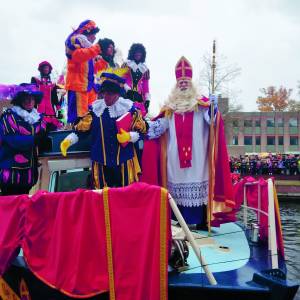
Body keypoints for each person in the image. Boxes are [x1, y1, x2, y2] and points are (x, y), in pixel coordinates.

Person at [141, 57, 235, 228]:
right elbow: (158, 127)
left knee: (199, 187)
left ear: (191, 83)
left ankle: (201, 221)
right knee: (176, 189)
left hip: (198, 161)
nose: (183, 85)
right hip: (174, 161)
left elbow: (212, 122)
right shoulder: (170, 109)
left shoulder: (201, 106)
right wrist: (143, 126)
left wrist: (214, 109)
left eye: (186, 82)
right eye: (180, 82)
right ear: (176, 85)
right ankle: (178, 221)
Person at [60, 72, 147, 189]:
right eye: (104, 93)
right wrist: (68, 141)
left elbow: (142, 132)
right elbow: (81, 132)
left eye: (110, 93)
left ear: (117, 94)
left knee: (125, 196)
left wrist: (129, 136)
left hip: (124, 163)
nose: (106, 96)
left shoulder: (129, 110)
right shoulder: (95, 110)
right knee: (101, 198)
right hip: (100, 164)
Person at [0, 84, 47, 195]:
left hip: (29, 175)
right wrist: (34, 140)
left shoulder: (38, 118)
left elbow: (42, 136)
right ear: (19, 100)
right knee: (10, 206)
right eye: (26, 98)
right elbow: (13, 140)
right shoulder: (9, 117)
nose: (29, 101)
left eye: (32, 98)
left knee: (24, 205)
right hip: (11, 174)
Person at [65, 19, 101, 123]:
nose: (95, 37)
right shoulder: (75, 41)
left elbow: (95, 68)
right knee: (78, 119)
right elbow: (77, 56)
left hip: (90, 88)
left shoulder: (91, 50)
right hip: (78, 87)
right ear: (86, 33)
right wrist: (97, 49)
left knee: (92, 118)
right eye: (93, 34)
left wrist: (106, 60)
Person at [31, 61, 63, 130]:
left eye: (47, 68)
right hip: (38, 110)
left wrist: (59, 110)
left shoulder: (53, 82)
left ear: (49, 69)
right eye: (44, 68)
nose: (46, 69)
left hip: (51, 111)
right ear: (41, 69)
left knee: (52, 131)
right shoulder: (35, 79)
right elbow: (33, 95)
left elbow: (54, 96)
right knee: (39, 131)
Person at [123, 43, 150, 113]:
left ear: (142, 54)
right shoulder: (126, 64)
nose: (138, 54)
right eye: (136, 52)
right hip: (126, 94)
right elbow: (122, 79)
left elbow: (145, 86)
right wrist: (128, 90)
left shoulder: (145, 69)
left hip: (138, 97)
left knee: (138, 118)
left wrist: (147, 99)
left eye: (140, 52)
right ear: (132, 53)